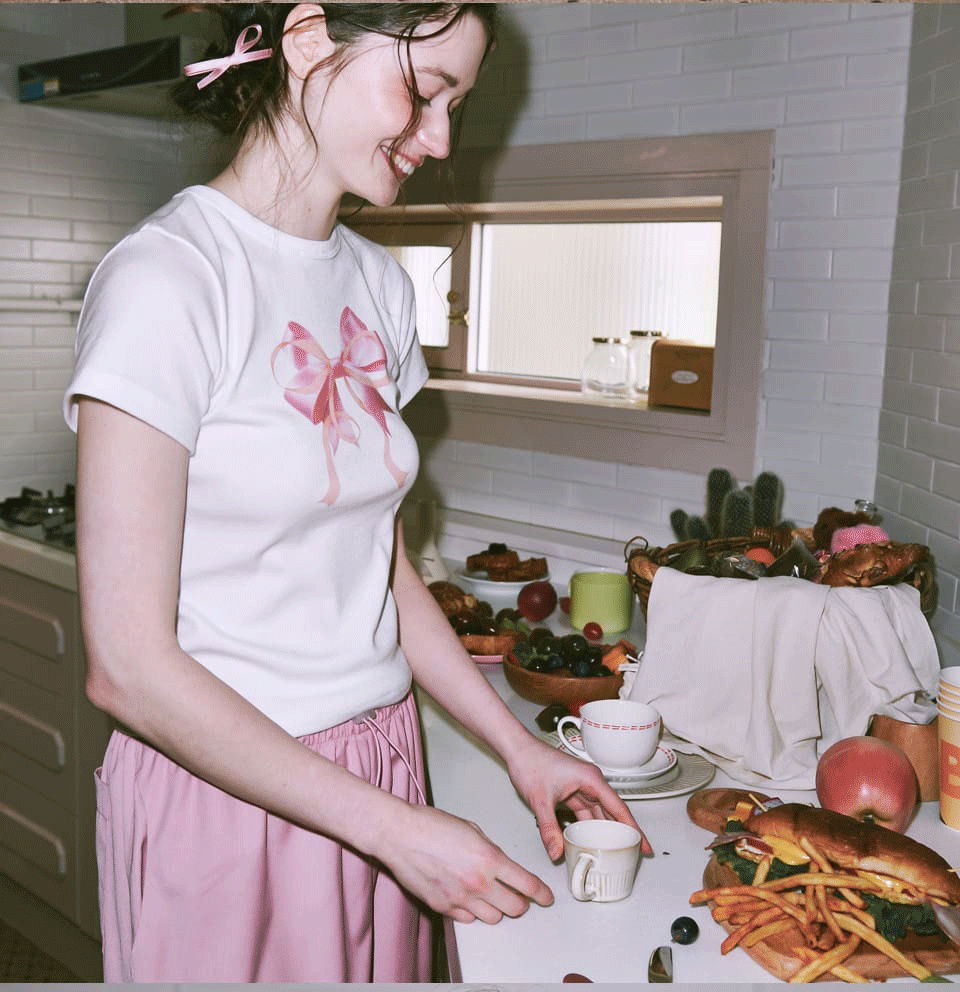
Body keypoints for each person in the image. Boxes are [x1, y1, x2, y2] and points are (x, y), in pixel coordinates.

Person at [63, 3, 650, 983]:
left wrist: (516, 747)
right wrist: (394, 830)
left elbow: (380, 571)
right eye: (424, 91)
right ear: (307, 40)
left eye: (458, 105)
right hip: (235, 790)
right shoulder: (169, 280)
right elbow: (126, 666)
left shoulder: (379, 285)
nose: (442, 139)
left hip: (384, 758)